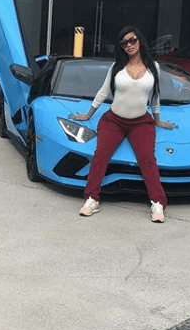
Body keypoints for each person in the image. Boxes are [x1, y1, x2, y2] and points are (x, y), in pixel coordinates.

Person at [70, 26, 175, 223]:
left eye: (132, 40)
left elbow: (155, 96)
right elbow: (103, 92)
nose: (129, 45)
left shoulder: (154, 68)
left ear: (140, 40)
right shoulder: (116, 67)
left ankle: (158, 202)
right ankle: (92, 198)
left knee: (147, 160)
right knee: (100, 155)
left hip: (141, 123)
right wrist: (87, 114)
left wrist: (158, 118)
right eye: (124, 43)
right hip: (114, 120)